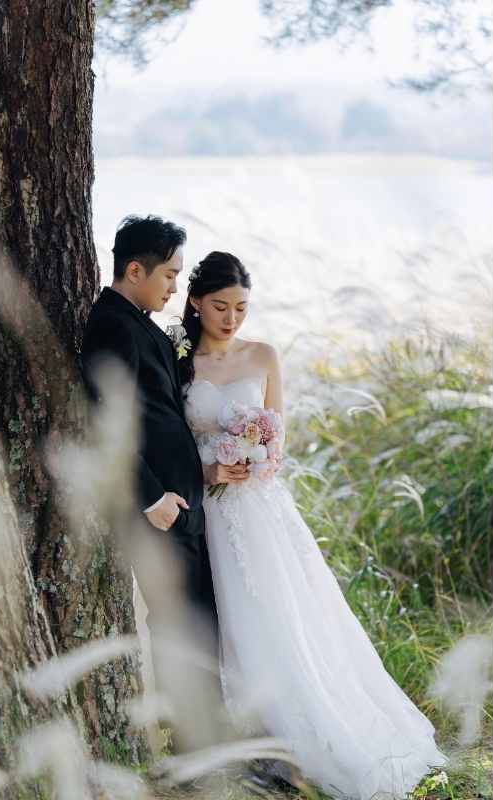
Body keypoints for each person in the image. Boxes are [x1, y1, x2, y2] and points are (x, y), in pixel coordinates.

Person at [177, 251, 445, 799]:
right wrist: (211, 467)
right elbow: (170, 439)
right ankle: (244, 738)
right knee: (231, 621)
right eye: (221, 307)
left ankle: (306, 740)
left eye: (242, 308)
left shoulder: (264, 355)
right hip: (207, 507)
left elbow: (279, 445)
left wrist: (254, 461)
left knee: (283, 617)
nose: (231, 319)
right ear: (196, 302)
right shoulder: (179, 361)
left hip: (261, 510)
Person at [81, 215, 232, 753]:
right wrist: (149, 498)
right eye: (169, 275)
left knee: (197, 615)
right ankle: (198, 744)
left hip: (180, 496)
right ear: (135, 269)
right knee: (180, 620)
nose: (174, 287)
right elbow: (103, 415)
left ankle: (203, 734)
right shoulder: (112, 324)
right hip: (159, 504)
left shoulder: (137, 320)